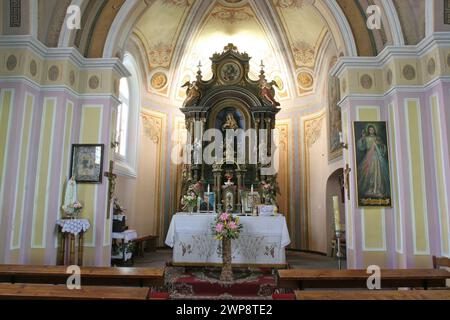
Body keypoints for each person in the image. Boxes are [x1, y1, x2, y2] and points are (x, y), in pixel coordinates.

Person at [356, 125, 390, 199]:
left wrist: (379, 144)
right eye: (370, 129)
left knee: (378, 173)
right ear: (368, 130)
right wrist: (363, 138)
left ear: (374, 130)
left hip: (377, 156)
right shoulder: (367, 138)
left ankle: (378, 189)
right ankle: (371, 188)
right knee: (370, 172)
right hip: (369, 157)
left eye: (372, 129)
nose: (371, 131)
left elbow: (383, 147)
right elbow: (362, 147)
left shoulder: (378, 138)